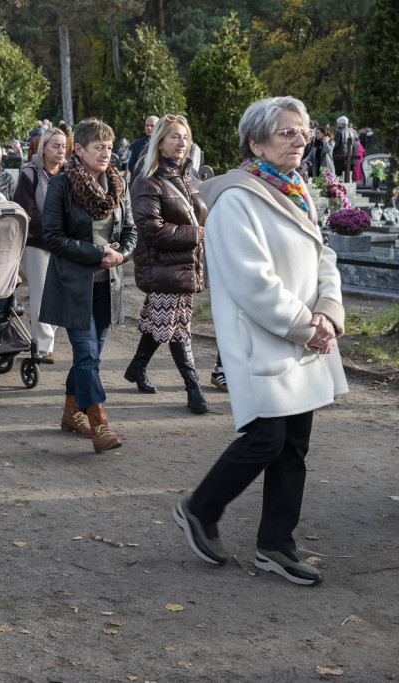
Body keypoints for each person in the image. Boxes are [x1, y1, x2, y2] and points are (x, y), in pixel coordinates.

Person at [173, 96, 348, 586]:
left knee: (293, 444)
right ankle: (200, 509)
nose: (299, 139)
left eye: (303, 130)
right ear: (256, 142)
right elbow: (253, 282)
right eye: (286, 132)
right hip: (265, 340)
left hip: (305, 337)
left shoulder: (297, 190)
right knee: (267, 437)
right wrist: (305, 326)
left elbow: (323, 257)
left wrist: (328, 314)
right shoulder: (236, 199)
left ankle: (276, 545)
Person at [38, 118, 137, 452]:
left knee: (89, 360)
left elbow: (131, 234)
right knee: (86, 354)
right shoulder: (61, 185)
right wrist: (96, 253)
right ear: (78, 150)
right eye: (99, 147)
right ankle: (100, 424)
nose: (106, 153)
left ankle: (70, 411)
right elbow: (52, 236)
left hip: (107, 286)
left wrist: (121, 256)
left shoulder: (117, 185)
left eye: (109, 147)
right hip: (73, 284)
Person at [125, 114, 209, 414]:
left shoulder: (187, 177)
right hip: (162, 264)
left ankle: (136, 368)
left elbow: (198, 214)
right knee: (177, 328)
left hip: (183, 263)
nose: (181, 143)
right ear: (159, 142)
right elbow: (151, 230)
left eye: (185, 137)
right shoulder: (147, 181)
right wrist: (196, 234)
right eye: (174, 137)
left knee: (162, 322)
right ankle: (193, 388)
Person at [13, 126, 67, 365]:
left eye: (64, 146)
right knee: (42, 295)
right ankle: (43, 348)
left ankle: (43, 335)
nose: (60, 150)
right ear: (44, 148)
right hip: (37, 243)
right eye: (55, 145)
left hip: (65, 244)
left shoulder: (69, 174)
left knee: (64, 294)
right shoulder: (29, 173)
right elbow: (24, 212)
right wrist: (51, 234)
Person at [128, 115, 158, 180]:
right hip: (140, 181)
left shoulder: (163, 144)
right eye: (147, 125)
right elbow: (132, 164)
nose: (149, 128)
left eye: (152, 126)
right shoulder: (138, 143)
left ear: (158, 127)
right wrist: (139, 177)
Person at [333, 115, 357, 182]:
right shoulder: (353, 131)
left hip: (339, 156)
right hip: (349, 156)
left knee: (338, 175)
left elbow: (336, 145)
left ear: (340, 123)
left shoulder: (339, 131)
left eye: (338, 123)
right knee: (347, 175)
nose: (337, 124)